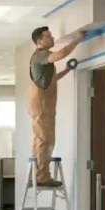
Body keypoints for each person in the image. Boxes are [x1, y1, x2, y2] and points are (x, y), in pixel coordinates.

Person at [28, 27, 85, 187]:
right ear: (39, 42)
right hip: (41, 104)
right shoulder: (41, 55)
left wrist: (67, 70)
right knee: (44, 140)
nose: (52, 38)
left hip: (43, 104)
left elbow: (52, 80)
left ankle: (36, 174)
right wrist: (77, 39)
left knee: (43, 139)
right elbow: (60, 54)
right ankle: (42, 177)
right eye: (48, 36)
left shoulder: (44, 60)